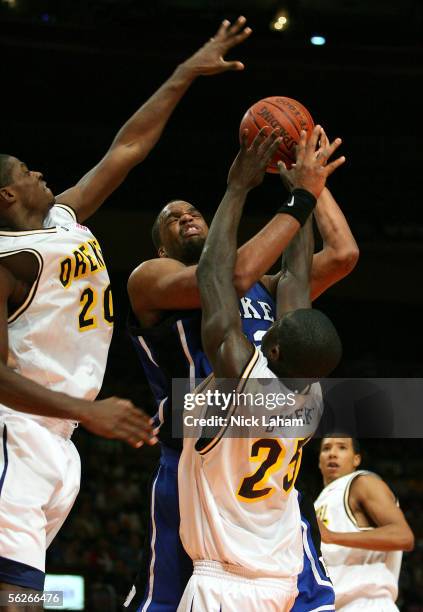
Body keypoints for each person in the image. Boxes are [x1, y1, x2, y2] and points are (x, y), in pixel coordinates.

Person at [0, 15, 252, 606]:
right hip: (18, 431)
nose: (41, 173)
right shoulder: (8, 260)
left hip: (58, 438)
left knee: (22, 591)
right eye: (25, 173)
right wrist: (87, 414)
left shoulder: (62, 218)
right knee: (14, 596)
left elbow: (129, 148)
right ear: (6, 196)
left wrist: (183, 73)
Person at [125, 127, 358, 609]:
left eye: (193, 212)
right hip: (192, 458)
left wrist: (308, 182)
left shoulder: (257, 293)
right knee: (167, 598)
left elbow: (341, 256)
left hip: (238, 443)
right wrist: (302, 192)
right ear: (161, 249)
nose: (186, 216)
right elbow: (232, 274)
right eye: (173, 218)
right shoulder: (153, 276)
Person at [315, 436, 415, 611]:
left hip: (367, 603)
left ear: (356, 459)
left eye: (342, 447)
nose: (332, 453)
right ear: (319, 461)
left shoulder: (362, 482)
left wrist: (332, 537)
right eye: (326, 448)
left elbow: (403, 536)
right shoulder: (318, 502)